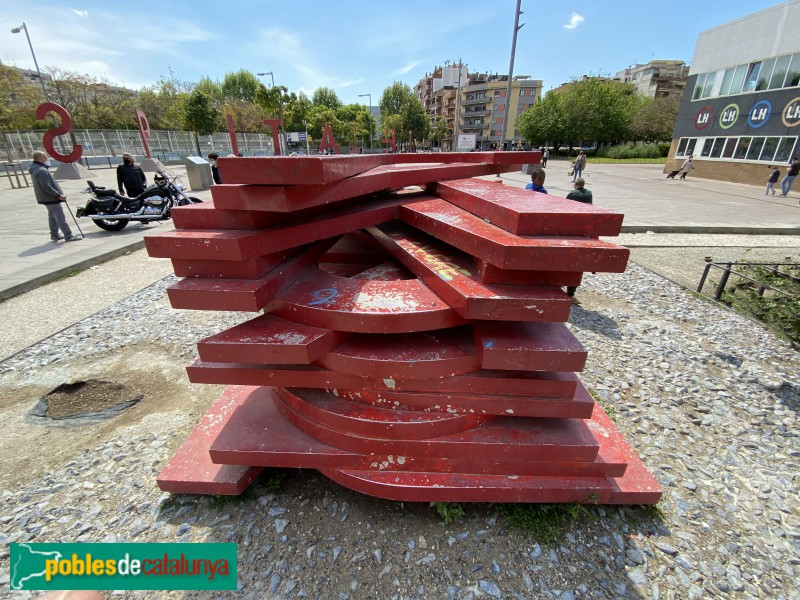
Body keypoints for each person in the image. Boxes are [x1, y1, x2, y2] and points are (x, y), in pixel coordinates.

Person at [28, 151, 81, 243]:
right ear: (40, 158)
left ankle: (54, 235)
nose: (47, 158)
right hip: (51, 198)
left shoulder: (36, 168)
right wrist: (58, 195)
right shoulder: (41, 170)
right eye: (45, 156)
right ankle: (68, 235)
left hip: (46, 198)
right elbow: (46, 186)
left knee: (52, 217)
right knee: (60, 217)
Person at [564, 178, 593, 304]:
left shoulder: (572, 194)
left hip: (571, 231)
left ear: (576, 185)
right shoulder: (589, 194)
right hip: (583, 232)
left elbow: (564, 208)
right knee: (577, 264)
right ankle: (571, 293)